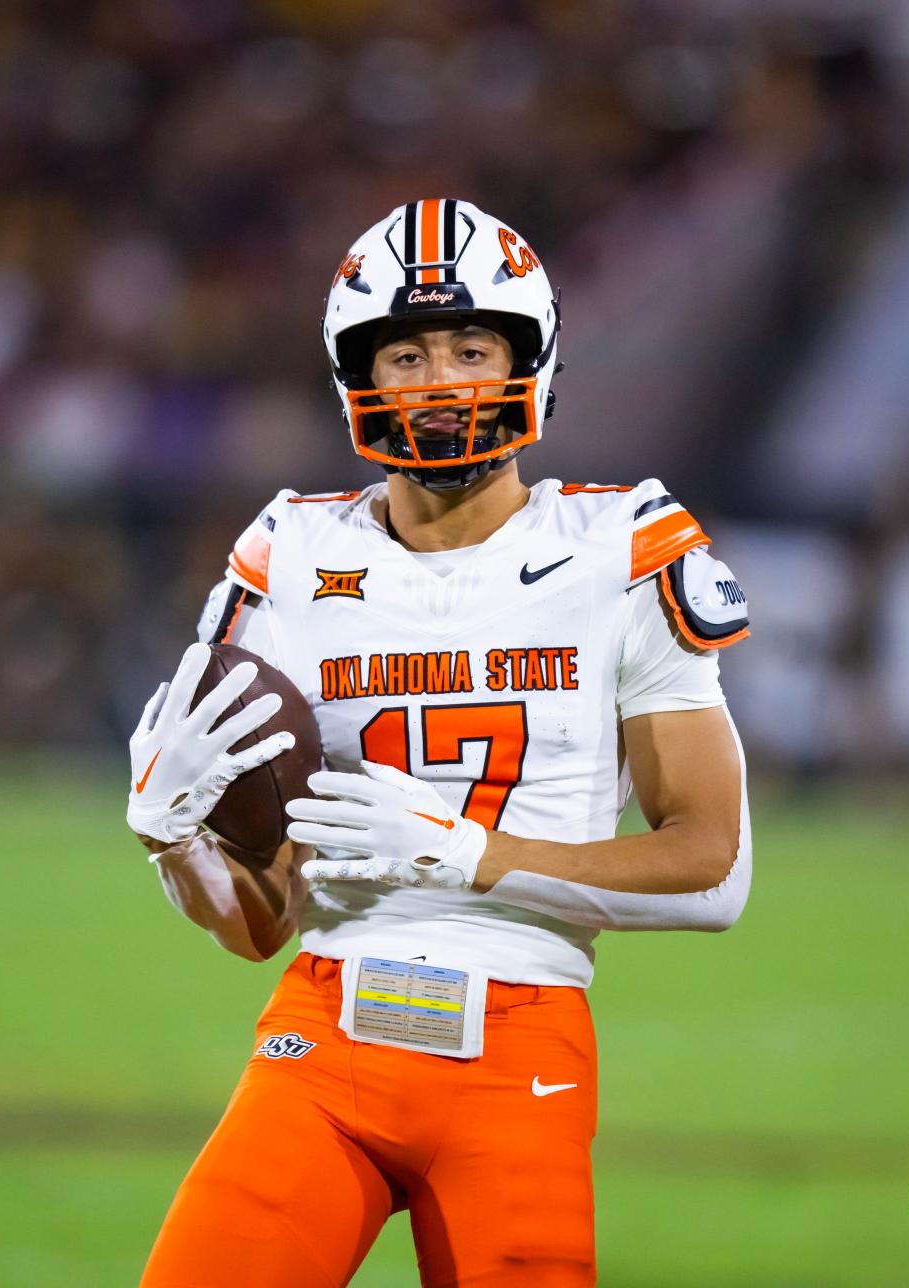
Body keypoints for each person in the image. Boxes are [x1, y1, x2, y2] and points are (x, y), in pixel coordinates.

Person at [128, 198, 753, 1288]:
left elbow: (714, 872)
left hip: (518, 1042)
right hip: (322, 1027)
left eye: (473, 345)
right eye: (407, 352)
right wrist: (176, 844)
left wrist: (470, 853)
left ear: (532, 359)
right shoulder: (291, 552)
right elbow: (261, 927)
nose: (442, 377)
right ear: (359, 376)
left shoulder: (620, 546)